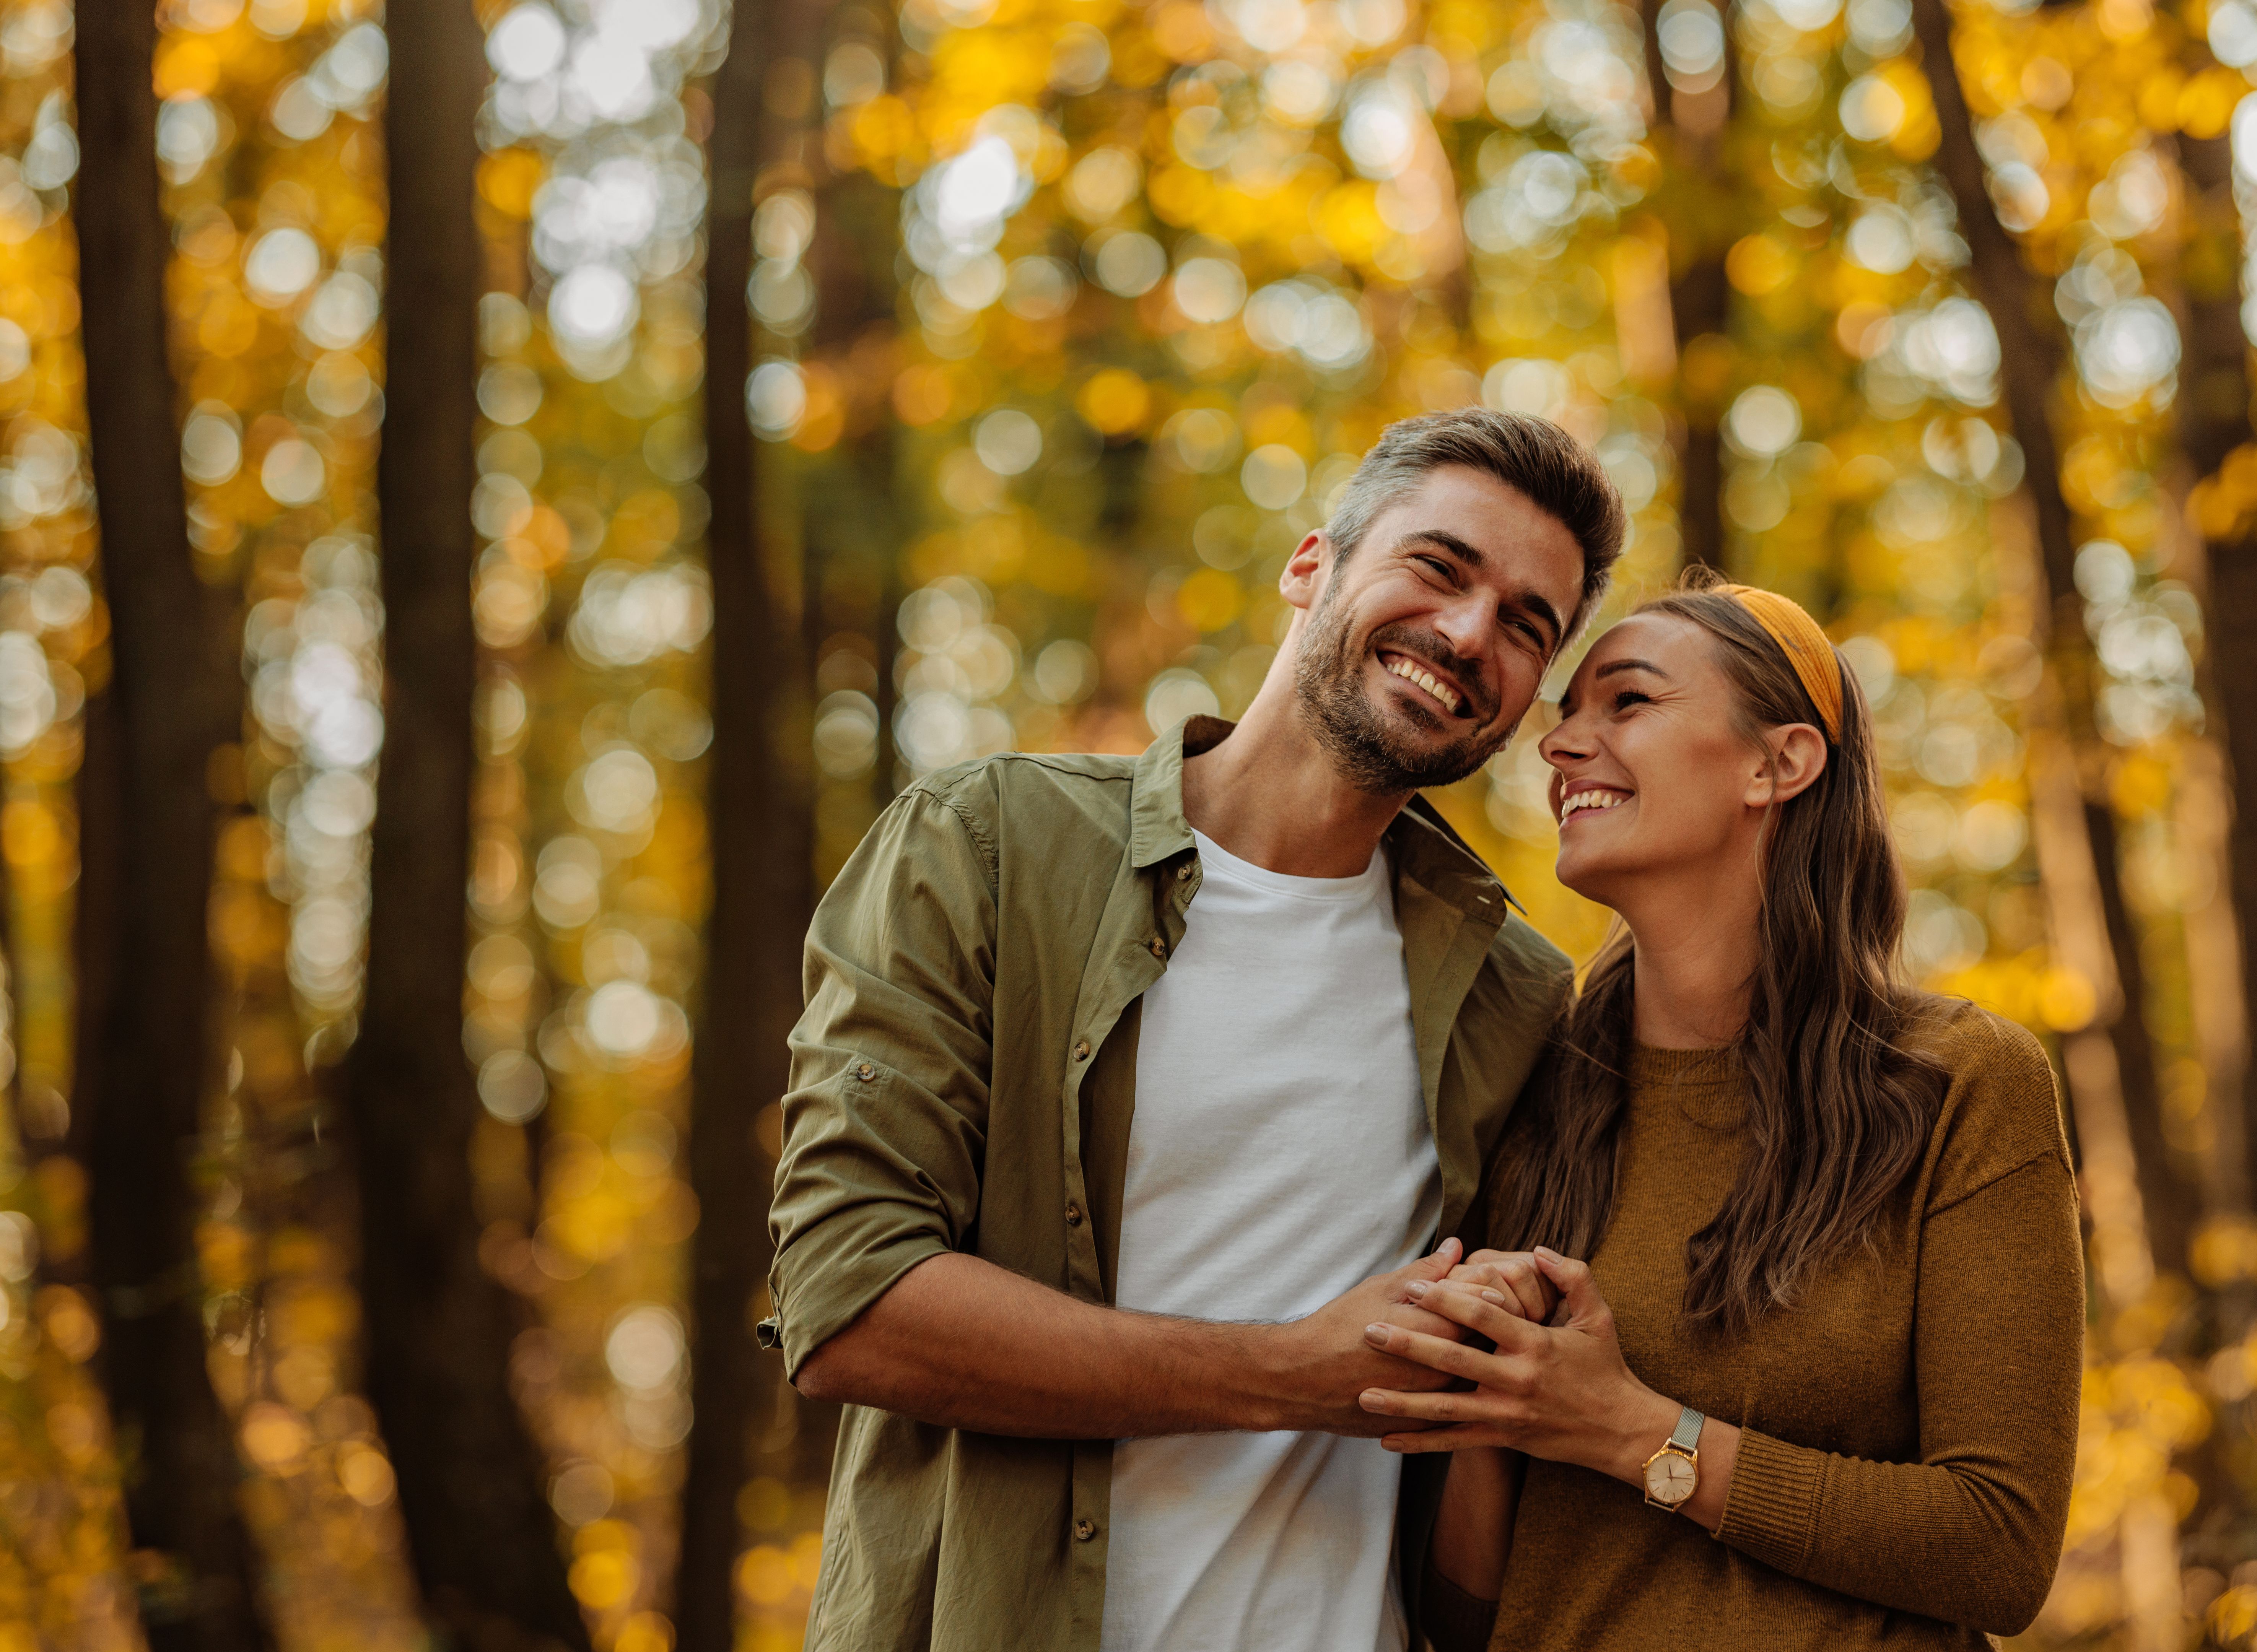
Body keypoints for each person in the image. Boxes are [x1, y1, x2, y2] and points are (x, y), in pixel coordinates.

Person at [762, 408, 1628, 1652]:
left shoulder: (1518, 999)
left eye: (1526, 625)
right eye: (1438, 568)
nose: (1468, 633)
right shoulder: (989, 849)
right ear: (1312, 564)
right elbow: (846, 1304)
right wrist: (1293, 1376)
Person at [1356, 576, 2085, 1650]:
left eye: (1628, 703)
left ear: (1778, 763)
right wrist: (1498, 1404)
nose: (1562, 749)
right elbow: (1469, 1617)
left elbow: (1998, 1550)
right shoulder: (1530, 1087)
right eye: (1564, 720)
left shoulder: (1962, 1083)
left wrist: (1637, 1434)